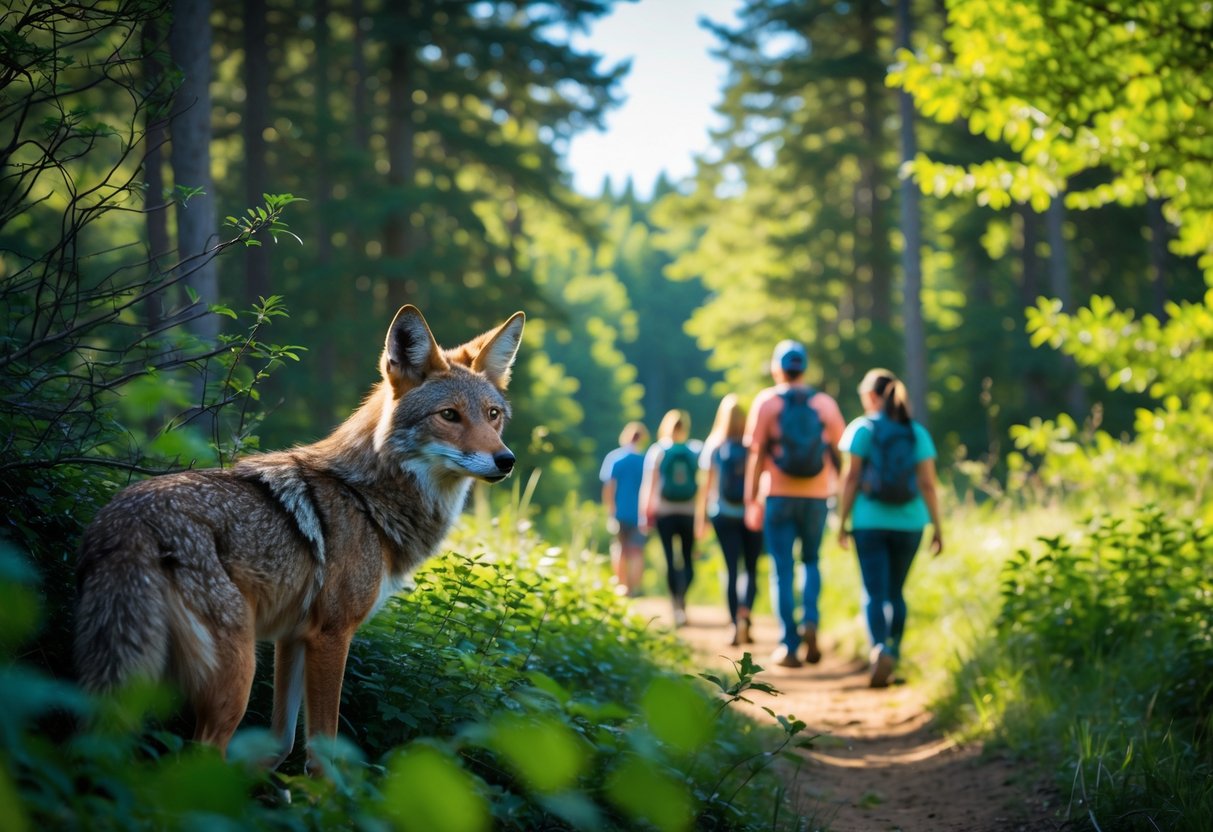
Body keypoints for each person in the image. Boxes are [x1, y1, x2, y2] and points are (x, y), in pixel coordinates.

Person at [836, 368, 944, 688]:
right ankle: (893, 652)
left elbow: (851, 479)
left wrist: (842, 522)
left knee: (873, 591)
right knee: (896, 592)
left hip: (869, 522)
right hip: (910, 523)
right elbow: (928, 484)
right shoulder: (916, 432)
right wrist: (938, 527)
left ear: (870, 397)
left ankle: (878, 648)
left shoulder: (862, 429)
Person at [745, 340, 845, 668]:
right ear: (804, 368)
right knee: (811, 561)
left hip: (778, 494)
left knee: (781, 569)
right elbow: (840, 450)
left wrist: (751, 499)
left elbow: (756, 453)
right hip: (817, 496)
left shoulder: (767, 402)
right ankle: (811, 619)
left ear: (777, 368)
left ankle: (788, 644)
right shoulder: (825, 404)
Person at [697, 394, 765, 647]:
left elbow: (706, 486)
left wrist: (700, 520)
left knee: (731, 569)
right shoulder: (753, 443)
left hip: (723, 514)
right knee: (751, 568)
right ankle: (746, 612)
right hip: (751, 514)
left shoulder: (715, 445)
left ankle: (734, 623)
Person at [640, 409, 701, 626]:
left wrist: (645, 513)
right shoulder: (694, 450)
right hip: (689, 512)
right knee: (687, 559)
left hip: (664, 512)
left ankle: (676, 604)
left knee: (669, 559)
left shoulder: (658, 451)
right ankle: (682, 596)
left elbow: (650, 484)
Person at [600, 421, 650, 597]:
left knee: (620, 549)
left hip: (619, 512)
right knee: (636, 551)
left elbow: (609, 487)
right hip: (640, 513)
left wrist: (610, 509)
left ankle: (622, 586)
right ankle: (635, 589)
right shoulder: (645, 460)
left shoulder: (615, 458)